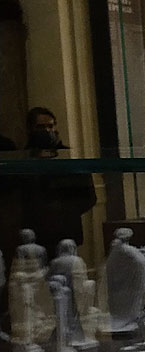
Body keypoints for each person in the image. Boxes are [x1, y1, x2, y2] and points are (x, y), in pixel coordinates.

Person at [13, 106, 98, 247]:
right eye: (40, 127)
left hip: (66, 231)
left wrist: (63, 210)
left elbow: (89, 197)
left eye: (50, 126)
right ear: (30, 129)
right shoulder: (22, 161)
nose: (46, 131)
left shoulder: (70, 157)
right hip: (36, 234)